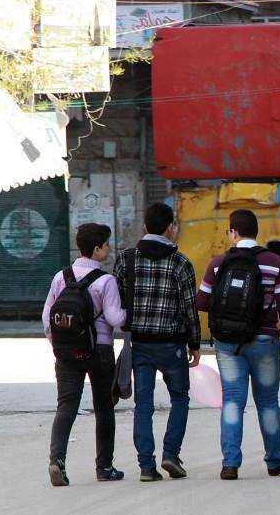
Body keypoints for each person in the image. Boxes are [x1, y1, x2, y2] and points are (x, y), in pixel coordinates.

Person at [196, 209, 280, 480]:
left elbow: (201, 302)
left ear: (233, 232)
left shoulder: (218, 263)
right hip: (265, 340)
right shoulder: (275, 262)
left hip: (228, 343)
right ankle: (275, 460)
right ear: (257, 232)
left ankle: (230, 463)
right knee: (267, 401)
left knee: (232, 400)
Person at [114, 203, 200, 482]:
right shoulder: (181, 262)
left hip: (139, 343)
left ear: (144, 227)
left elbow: (117, 300)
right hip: (172, 344)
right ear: (170, 227)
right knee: (180, 399)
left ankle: (146, 466)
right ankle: (171, 455)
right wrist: (194, 344)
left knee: (144, 405)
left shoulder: (126, 259)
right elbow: (190, 308)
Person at [43, 223, 126, 486]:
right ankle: (105, 467)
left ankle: (57, 460)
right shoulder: (106, 280)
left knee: (66, 405)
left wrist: (60, 343)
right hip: (100, 350)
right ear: (97, 248)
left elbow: (48, 316)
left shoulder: (61, 276)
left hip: (67, 352)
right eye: (106, 244)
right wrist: (127, 315)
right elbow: (115, 318)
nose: (109, 249)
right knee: (104, 407)